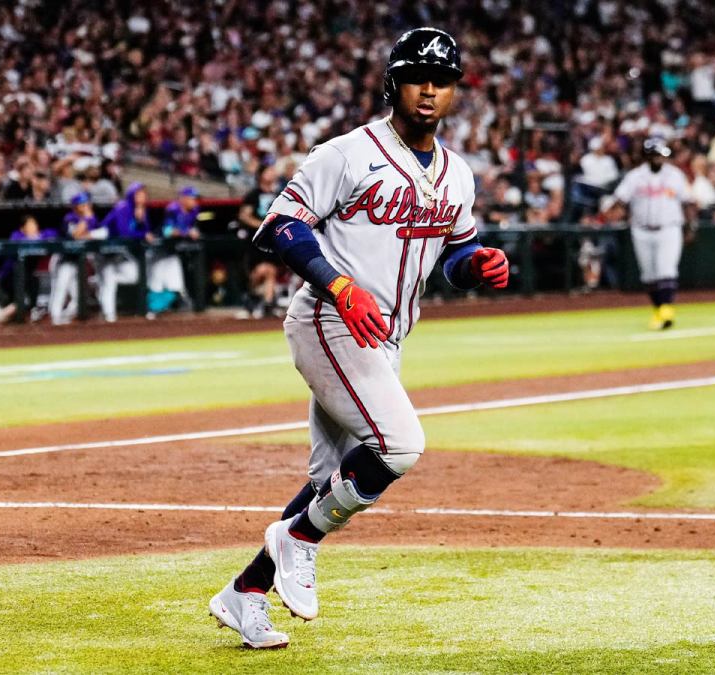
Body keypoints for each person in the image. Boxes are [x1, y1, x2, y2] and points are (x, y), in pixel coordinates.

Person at [208, 28, 508, 649]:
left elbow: (455, 253)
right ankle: (298, 539)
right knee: (399, 445)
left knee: (330, 480)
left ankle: (245, 592)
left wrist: (475, 266)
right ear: (392, 82)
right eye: (418, 75)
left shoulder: (457, 174)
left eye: (443, 79)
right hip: (328, 320)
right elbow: (278, 228)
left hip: (385, 336)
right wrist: (339, 284)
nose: (430, 89)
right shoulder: (348, 153)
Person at [606, 138, 696, 330]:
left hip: (669, 228)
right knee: (648, 276)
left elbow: (688, 202)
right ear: (647, 155)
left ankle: (666, 310)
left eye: (661, 155)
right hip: (641, 230)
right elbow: (620, 200)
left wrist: (690, 227)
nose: (659, 158)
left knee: (666, 270)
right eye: (655, 154)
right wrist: (608, 214)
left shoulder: (675, 175)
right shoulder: (635, 177)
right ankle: (658, 311)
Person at [49, 191, 106, 325]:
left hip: (78, 262)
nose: (86, 207)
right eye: (82, 205)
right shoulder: (69, 218)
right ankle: (55, 318)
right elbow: (75, 235)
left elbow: (101, 233)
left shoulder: (93, 219)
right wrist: (86, 220)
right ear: (75, 207)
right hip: (63, 259)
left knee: (80, 298)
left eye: (87, 204)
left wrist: (89, 229)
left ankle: (62, 317)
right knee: (60, 289)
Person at [238, 165, 288, 318]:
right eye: (268, 171)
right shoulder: (253, 194)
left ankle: (267, 302)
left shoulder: (279, 194)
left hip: (273, 240)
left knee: (270, 270)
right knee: (259, 272)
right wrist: (262, 225)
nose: (272, 173)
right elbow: (244, 216)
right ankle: (253, 296)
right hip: (256, 240)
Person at [96, 182, 150, 322]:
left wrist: (141, 222)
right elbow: (123, 233)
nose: (142, 197)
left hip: (119, 251)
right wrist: (141, 232)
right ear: (132, 195)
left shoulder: (140, 210)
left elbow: (145, 231)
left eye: (144, 193)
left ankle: (98, 281)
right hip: (103, 246)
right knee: (108, 280)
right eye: (139, 194)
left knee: (135, 275)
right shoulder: (122, 207)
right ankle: (109, 315)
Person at [148, 185, 202, 315]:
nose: (195, 201)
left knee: (171, 281)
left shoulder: (194, 211)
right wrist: (188, 232)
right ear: (183, 198)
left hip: (170, 252)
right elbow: (168, 231)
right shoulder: (172, 209)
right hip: (155, 250)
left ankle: (164, 306)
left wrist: (191, 232)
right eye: (192, 198)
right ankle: (153, 308)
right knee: (156, 282)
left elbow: (192, 229)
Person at [0, 215, 56, 321]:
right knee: (19, 300)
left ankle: (30, 311)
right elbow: (15, 240)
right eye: (30, 225)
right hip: (9, 277)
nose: (34, 227)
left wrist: (37, 237)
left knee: (34, 281)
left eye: (34, 224)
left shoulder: (40, 236)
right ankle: (5, 314)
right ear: (23, 228)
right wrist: (33, 238)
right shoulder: (17, 235)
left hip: (26, 276)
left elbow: (52, 233)